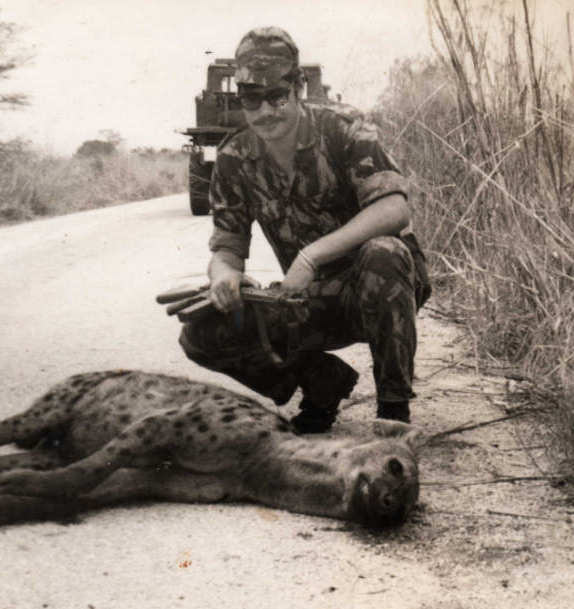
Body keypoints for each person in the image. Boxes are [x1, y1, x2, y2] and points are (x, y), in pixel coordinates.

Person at [179, 27, 431, 434]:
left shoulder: (344, 128)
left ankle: (393, 409)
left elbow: (394, 209)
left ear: (298, 88)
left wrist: (311, 256)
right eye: (252, 99)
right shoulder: (234, 157)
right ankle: (321, 381)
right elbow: (227, 245)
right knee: (202, 332)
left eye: (277, 96)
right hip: (305, 299)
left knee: (383, 252)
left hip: (379, 286)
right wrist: (224, 275)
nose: (265, 111)